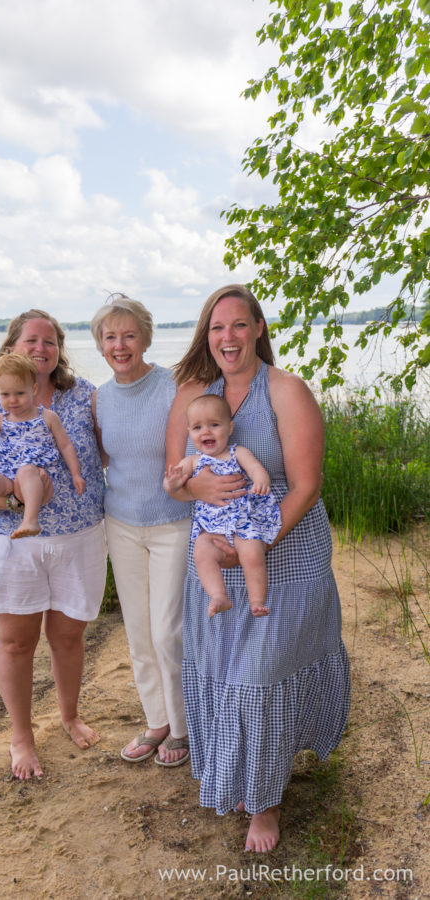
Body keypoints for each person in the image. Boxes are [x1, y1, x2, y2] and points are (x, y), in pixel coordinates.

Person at [166, 285, 350, 852]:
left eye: (239, 325)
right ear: (206, 335)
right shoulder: (195, 396)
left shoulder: (286, 391)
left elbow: (307, 485)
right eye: (217, 328)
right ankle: (239, 773)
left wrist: (257, 544)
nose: (228, 338)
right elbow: (173, 477)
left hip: (285, 555)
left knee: (261, 675)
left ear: (259, 328)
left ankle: (265, 802)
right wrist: (194, 489)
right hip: (215, 558)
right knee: (227, 670)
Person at [0, 310, 106, 780]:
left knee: (67, 637)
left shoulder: (83, 396)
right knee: (15, 642)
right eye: (31, 340)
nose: (41, 348)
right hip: (12, 544)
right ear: (12, 348)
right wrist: (19, 499)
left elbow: (110, 452)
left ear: (59, 349)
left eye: (50, 341)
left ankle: (69, 716)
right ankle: (21, 736)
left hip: (78, 537)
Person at [90, 294, 192, 767]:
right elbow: (103, 458)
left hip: (173, 522)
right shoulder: (100, 399)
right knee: (138, 631)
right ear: (100, 345)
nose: (120, 345)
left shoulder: (174, 387)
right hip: (122, 524)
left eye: (129, 335)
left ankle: (184, 726)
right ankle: (157, 721)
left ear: (146, 339)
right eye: (110, 337)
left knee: (168, 631)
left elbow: (198, 448)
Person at [0, 354, 84, 553]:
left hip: (37, 478)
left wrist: (76, 474)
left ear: (34, 389)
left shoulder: (47, 417)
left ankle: (30, 520)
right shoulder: (0, 419)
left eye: (20, 393)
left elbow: (65, 446)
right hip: (7, 475)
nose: (12, 400)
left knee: (26, 470)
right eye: (5, 395)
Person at [163, 393, 281, 618]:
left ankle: (257, 600)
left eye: (214, 425)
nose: (205, 432)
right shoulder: (193, 461)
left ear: (230, 427)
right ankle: (218, 595)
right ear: (189, 432)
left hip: (242, 522)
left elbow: (255, 468)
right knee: (201, 553)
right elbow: (172, 486)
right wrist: (172, 483)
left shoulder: (238, 453)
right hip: (210, 528)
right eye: (197, 427)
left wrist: (260, 480)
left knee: (253, 553)